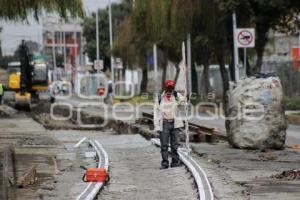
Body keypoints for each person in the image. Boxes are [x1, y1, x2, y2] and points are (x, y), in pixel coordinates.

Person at [154, 79, 185, 169]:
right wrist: (157, 126)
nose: (170, 89)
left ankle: (175, 162)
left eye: (171, 87)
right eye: (169, 87)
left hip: (175, 124)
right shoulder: (160, 98)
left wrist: (183, 99)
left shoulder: (176, 96)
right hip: (164, 124)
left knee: (175, 144)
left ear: (173, 87)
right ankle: (165, 163)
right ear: (166, 87)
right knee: (164, 145)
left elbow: (184, 103)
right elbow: (156, 113)